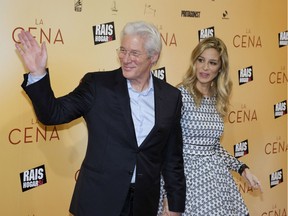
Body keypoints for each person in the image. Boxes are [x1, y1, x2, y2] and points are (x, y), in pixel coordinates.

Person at [15, 21, 186, 216]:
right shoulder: (97, 85)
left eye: (134, 53)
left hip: (143, 204)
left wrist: (175, 203)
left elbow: (173, 158)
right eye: (122, 50)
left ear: (153, 57)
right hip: (98, 201)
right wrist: (38, 73)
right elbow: (53, 114)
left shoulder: (171, 97)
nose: (125, 58)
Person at [158, 37, 262, 216]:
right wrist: (170, 194)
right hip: (185, 180)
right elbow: (166, 147)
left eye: (212, 63)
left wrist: (243, 169)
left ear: (220, 68)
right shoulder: (179, 95)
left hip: (215, 181)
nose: (205, 68)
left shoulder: (218, 99)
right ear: (194, 62)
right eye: (201, 60)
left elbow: (213, 147)